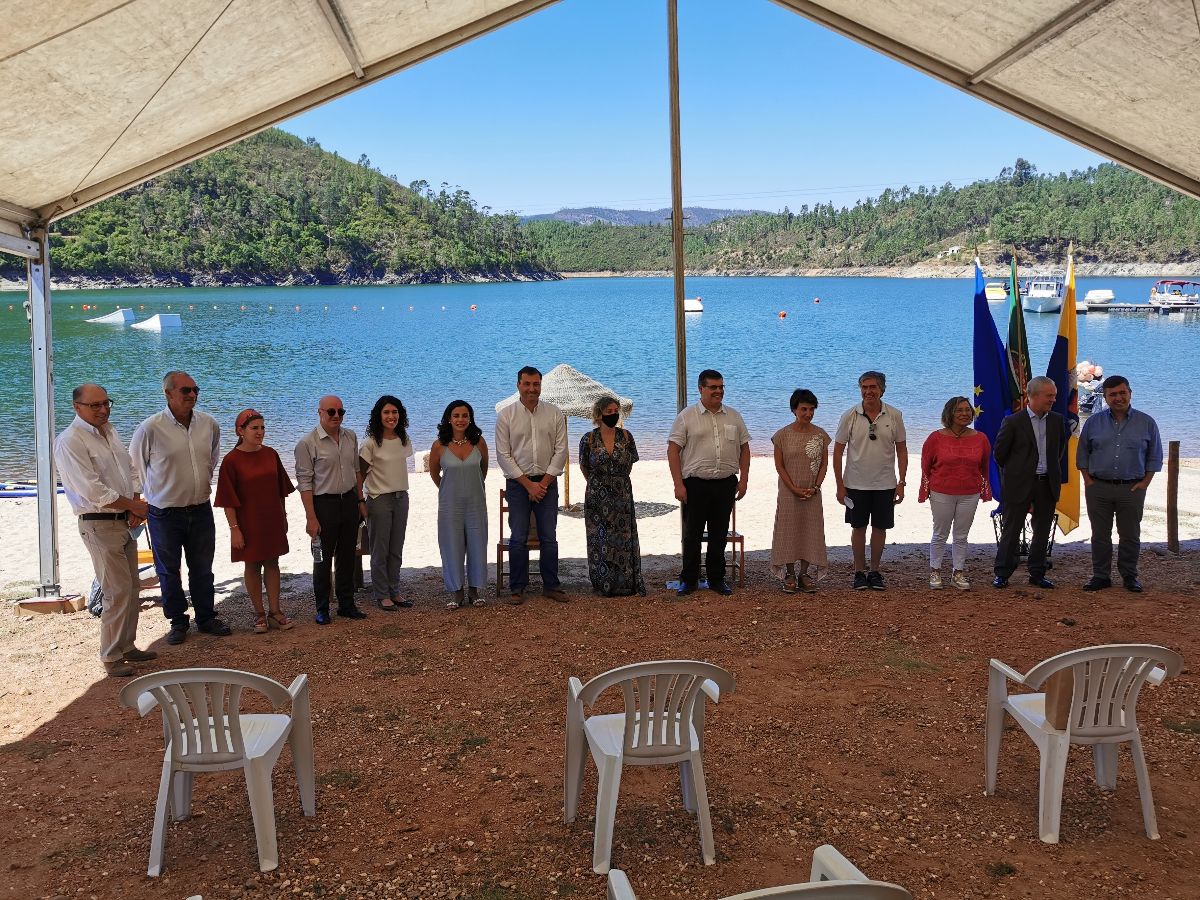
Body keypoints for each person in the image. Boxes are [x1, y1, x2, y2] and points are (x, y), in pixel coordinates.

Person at [54, 383, 155, 677]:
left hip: (123, 519)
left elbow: (130, 468)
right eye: (94, 405)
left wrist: (135, 501)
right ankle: (110, 656)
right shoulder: (70, 440)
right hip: (98, 523)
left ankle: (127, 646)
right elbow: (92, 490)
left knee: (132, 587)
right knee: (115, 590)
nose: (102, 410)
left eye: (106, 403)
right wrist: (132, 506)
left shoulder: (109, 431)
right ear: (77, 407)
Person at [131, 370, 231, 645]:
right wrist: (138, 504)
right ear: (168, 393)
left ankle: (206, 618)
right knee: (168, 571)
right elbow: (136, 470)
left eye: (195, 389)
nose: (192, 395)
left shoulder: (208, 424)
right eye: (186, 390)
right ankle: (177, 622)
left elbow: (210, 460)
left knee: (202, 568)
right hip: (164, 513)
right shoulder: (149, 429)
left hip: (200, 509)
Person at [668, 369, 751, 596]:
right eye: (713, 387)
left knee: (719, 534)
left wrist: (743, 480)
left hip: (725, 484)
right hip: (695, 484)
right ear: (701, 389)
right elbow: (673, 451)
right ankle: (689, 580)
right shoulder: (686, 416)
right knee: (692, 535)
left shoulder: (733, 416)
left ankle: (717, 579)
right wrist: (678, 484)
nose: (718, 391)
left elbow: (745, 448)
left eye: (721, 387)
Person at [1077, 375, 1163, 593]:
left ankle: (1129, 576)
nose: (1118, 398)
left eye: (1122, 393)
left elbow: (1155, 456)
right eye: (1112, 394)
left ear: (1130, 393)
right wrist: (1088, 481)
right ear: (1105, 397)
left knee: (1130, 535)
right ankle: (1101, 576)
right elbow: (1082, 454)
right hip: (1098, 488)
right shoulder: (1094, 422)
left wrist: (1145, 483)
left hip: (1132, 488)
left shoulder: (1146, 422)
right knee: (1100, 535)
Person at [214, 409, 295, 632]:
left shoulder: (271, 454)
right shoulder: (231, 461)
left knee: (273, 562)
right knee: (252, 564)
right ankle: (259, 613)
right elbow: (227, 500)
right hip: (248, 521)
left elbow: (281, 490)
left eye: (262, 427)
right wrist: (234, 529)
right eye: (254, 428)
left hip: (272, 517)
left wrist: (284, 515)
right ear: (240, 431)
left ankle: (275, 612)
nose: (260, 432)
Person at [495, 366, 568, 604]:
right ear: (518, 385)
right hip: (518, 484)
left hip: (547, 483)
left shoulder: (554, 413)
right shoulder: (506, 415)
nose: (531, 389)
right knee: (518, 537)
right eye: (527, 384)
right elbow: (503, 456)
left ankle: (551, 586)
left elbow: (561, 451)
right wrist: (529, 485)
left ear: (540, 385)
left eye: (536, 384)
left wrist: (544, 483)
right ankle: (517, 588)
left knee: (549, 537)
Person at [832, 371, 908, 591]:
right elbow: (837, 452)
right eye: (864, 387)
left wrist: (901, 481)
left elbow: (902, 450)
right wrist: (839, 485)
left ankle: (874, 571)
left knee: (880, 528)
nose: (868, 392)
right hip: (855, 484)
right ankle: (858, 571)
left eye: (873, 387)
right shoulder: (849, 416)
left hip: (885, 483)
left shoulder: (894, 415)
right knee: (858, 527)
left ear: (882, 389)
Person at [295, 394, 367, 624]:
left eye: (340, 412)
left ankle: (347, 604)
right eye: (331, 412)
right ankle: (322, 608)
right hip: (323, 504)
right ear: (320, 413)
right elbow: (305, 484)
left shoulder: (351, 437)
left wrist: (360, 501)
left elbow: (356, 471)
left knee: (347, 556)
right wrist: (311, 517)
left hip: (348, 502)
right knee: (322, 559)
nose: (336, 416)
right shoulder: (307, 444)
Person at [993, 376, 1064, 589]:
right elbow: (1000, 455)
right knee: (1011, 530)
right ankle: (1003, 573)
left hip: (1046, 483)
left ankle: (1037, 573)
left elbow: (1058, 452)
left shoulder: (1057, 421)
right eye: (1049, 396)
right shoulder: (1013, 421)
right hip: (1019, 484)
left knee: (1042, 530)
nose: (1053, 400)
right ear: (1033, 396)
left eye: (1054, 396)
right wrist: (1018, 473)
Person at [918, 397, 992, 591]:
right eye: (959, 410)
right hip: (941, 491)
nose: (964, 413)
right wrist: (925, 490)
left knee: (961, 535)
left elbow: (985, 467)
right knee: (940, 533)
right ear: (949, 413)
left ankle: (957, 573)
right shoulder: (935, 438)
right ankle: (935, 570)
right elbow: (925, 466)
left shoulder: (981, 438)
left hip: (970, 492)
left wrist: (985, 490)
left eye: (968, 410)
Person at [579, 395, 646, 596]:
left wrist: (616, 481)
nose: (613, 415)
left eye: (616, 411)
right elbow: (584, 467)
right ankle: (603, 584)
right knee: (599, 540)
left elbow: (630, 463)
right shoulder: (588, 439)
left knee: (623, 539)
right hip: (596, 496)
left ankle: (625, 584)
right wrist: (599, 484)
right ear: (599, 414)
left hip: (622, 494)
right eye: (609, 411)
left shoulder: (626, 437)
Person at [430, 400, 489, 608]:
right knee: (451, 547)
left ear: (470, 418)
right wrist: (448, 489)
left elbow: (483, 471)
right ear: (449, 418)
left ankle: (474, 591)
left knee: (477, 545)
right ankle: (456, 592)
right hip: (449, 505)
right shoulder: (439, 446)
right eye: (456, 416)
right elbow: (434, 474)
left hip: (476, 503)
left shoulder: (479, 443)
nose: (460, 420)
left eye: (465, 415)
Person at [770, 389, 829, 594]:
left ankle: (804, 573)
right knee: (788, 530)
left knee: (809, 530)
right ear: (794, 409)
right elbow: (779, 466)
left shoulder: (821, 435)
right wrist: (794, 488)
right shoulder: (782, 435)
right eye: (804, 409)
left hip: (812, 492)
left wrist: (816, 487)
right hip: (788, 491)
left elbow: (823, 465)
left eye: (812, 409)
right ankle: (789, 573)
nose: (808, 413)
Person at [360, 395, 415, 611]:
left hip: (401, 498)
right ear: (378, 415)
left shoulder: (403, 439)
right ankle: (382, 594)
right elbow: (360, 474)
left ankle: (394, 590)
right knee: (379, 549)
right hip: (378, 499)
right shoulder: (370, 443)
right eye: (386, 412)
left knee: (396, 548)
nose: (391, 416)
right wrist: (359, 501)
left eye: (394, 412)